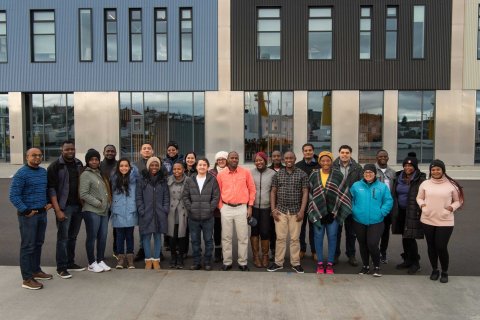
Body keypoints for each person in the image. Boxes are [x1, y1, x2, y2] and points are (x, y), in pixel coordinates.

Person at [10, 148, 52, 290]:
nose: (37, 158)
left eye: (40, 155)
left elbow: (45, 189)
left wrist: (48, 203)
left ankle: (35, 270)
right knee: (28, 246)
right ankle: (27, 278)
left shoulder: (42, 172)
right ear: (26, 157)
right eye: (34, 155)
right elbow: (14, 195)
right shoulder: (21, 174)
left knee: (38, 243)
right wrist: (26, 210)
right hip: (29, 216)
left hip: (42, 214)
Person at [417, 159, 464, 283]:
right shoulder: (425, 184)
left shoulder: (451, 185)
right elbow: (419, 198)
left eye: (438, 169)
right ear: (430, 171)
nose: (435, 171)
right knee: (431, 246)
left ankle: (444, 271)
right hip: (427, 219)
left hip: (445, 220)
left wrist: (450, 208)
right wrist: (423, 206)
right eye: (433, 169)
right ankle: (434, 269)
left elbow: (459, 201)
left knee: (441, 246)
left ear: (443, 170)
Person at [308, 151, 352, 275]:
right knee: (318, 238)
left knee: (333, 238)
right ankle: (320, 264)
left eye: (328, 160)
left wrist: (334, 212)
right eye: (323, 160)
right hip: (318, 213)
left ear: (331, 162)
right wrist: (316, 210)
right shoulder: (314, 174)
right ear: (320, 162)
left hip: (333, 214)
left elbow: (343, 193)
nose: (325, 163)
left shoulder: (338, 175)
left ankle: (330, 264)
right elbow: (311, 194)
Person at [47, 140, 85, 279]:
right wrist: (58, 210)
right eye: (67, 149)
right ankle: (61, 267)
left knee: (73, 237)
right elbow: (51, 190)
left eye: (72, 149)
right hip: (64, 207)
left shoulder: (78, 163)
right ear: (61, 150)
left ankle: (70, 262)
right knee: (63, 238)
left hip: (78, 206)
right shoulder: (55, 166)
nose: (70, 151)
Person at [267, 151, 309, 274]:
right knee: (280, 238)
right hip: (281, 211)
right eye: (286, 158)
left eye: (291, 158)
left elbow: (305, 192)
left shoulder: (302, 174)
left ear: (295, 159)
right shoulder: (278, 174)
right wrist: (273, 209)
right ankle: (278, 262)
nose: (289, 160)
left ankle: (295, 263)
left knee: (295, 239)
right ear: (283, 160)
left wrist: (302, 210)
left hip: (296, 211)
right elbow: (273, 192)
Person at [350, 164, 393, 277]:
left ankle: (377, 266)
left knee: (373, 244)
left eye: (371, 172)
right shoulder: (356, 185)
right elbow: (350, 199)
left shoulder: (382, 187)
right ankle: (365, 266)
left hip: (376, 221)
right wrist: (354, 210)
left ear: (375, 174)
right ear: (363, 173)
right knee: (363, 244)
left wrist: (382, 212)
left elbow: (388, 201)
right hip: (359, 220)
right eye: (366, 172)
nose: (368, 174)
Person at [217, 151, 256, 271]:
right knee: (226, 237)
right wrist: (221, 207)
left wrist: (250, 206)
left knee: (243, 237)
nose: (234, 159)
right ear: (227, 159)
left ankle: (242, 262)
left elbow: (252, 189)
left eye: (236, 158)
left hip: (241, 208)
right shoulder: (221, 174)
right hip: (226, 208)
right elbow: (217, 192)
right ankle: (227, 262)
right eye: (232, 158)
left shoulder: (245, 172)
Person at [391, 154, 426, 274]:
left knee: (410, 237)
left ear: (415, 167)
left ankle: (415, 263)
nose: (408, 167)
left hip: (413, 212)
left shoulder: (420, 179)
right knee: (404, 237)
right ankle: (407, 259)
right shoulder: (398, 177)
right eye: (406, 165)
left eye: (410, 165)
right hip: (400, 211)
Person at [183, 158, 220, 271]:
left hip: (208, 217)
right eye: (200, 165)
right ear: (196, 166)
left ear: (208, 167)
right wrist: (191, 208)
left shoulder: (212, 180)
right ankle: (196, 262)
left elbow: (216, 197)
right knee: (195, 240)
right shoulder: (190, 180)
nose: (202, 167)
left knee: (208, 240)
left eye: (204, 165)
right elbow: (185, 197)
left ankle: (207, 261)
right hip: (193, 217)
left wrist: (210, 209)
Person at [79, 149, 112, 273]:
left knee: (102, 237)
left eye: (96, 159)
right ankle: (92, 262)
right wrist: (98, 203)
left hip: (103, 211)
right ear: (87, 161)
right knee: (92, 237)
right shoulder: (86, 174)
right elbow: (83, 194)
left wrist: (107, 203)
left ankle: (100, 260)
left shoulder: (100, 173)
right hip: (92, 211)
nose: (94, 161)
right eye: (91, 159)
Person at [136, 157, 170, 270]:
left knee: (157, 237)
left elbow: (166, 197)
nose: (154, 167)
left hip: (159, 213)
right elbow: (139, 196)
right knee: (145, 237)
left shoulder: (163, 180)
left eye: (156, 165)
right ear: (148, 166)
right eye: (152, 165)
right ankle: (148, 260)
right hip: (146, 213)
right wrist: (141, 209)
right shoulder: (142, 180)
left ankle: (156, 260)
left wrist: (165, 209)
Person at [332, 145, 363, 266]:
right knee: (336, 232)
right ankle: (335, 254)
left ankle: (351, 255)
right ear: (339, 153)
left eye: (347, 153)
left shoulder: (357, 168)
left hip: (351, 204)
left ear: (350, 154)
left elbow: (361, 185)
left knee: (351, 232)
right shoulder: (332, 166)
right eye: (342, 152)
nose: (344, 155)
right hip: (336, 204)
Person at [110, 158, 138, 269]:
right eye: (121, 166)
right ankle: (120, 258)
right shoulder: (114, 179)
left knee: (130, 236)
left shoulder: (134, 180)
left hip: (130, 210)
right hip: (118, 211)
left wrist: (133, 166)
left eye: (126, 166)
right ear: (118, 167)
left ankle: (130, 259)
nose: (124, 168)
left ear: (130, 168)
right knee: (119, 236)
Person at [250, 152, 276, 268]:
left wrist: (273, 207)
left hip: (267, 208)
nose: (258, 162)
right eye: (256, 160)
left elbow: (276, 191)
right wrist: (248, 207)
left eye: (261, 160)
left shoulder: (272, 173)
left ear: (265, 161)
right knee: (254, 232)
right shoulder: (250, 173)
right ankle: (256, 256)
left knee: (265, 232)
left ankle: (265, 255)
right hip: (254, 207)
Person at [295, 143, 320, 261]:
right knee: (301, 228)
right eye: (306, 150)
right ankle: (302, 249)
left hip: (315, 202)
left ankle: (314, 250)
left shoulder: (319, 165)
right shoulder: (298, 166)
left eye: (310, 150)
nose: (308, 152)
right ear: (303, 152)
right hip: (301, 203)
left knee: (314, 228)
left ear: (313, 151)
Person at [133, 142, 154, 262]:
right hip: (142, 200)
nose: (146, 150)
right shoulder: (135, 166)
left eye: (149, 148)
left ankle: (158, 251)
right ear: (140, 151)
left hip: (155, 200)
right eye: (144, 148)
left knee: (157, 226)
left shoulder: (158, 163)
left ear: (152, 151)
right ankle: (142, 249)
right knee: (142, 227)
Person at [374, 149, 396, 263]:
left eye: (385, 156)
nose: (383, 158)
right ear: (376, 158)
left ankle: (383, 253)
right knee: (374, 231)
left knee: (385, 231)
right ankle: (374, 253)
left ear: (388, 158)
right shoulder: (372, 170)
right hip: (375, 206)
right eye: (380, 156)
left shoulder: (392, 172)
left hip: (387, 207)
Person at [167, 162, 188, 269]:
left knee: (182, 236)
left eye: (179, 169)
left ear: (183, 169)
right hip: (171, 210)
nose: (176, 171)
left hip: (183, 210)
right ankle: (173, 257)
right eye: (174, 169)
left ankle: (180, 258)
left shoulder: (188, 180)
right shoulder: (168, 180)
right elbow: (165, 195)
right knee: (172, 236)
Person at [209, 151, 228, 263]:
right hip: (214, 206)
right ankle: (217, 251)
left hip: (226, 204)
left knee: (226, 231)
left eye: (223, 159)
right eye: (219, 159)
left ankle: (226, 253)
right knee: (216, 229)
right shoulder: (211, 172)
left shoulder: (229, 171)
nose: (221, 161)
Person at [99, 144, 119, 259]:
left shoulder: (118, 165)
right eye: (108, 151)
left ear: (115, 153)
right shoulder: (99, 166)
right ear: (104, 152)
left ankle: (116, 251)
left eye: (112, 151)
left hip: (116, 201)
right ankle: (100, 253)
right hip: (103, 202)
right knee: (102, 229)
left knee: (117, 229)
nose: (110, 153)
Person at [267, 150, 284, 259]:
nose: (276, 158)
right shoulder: (268, 170)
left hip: (283, 204)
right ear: (271, 158)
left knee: (281, 231)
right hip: (271, 204)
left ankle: (280, 251)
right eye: (274, 156)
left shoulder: (285, 169)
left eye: (278, 156)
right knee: (271, 229)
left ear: (281, 157)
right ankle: (273, 250)